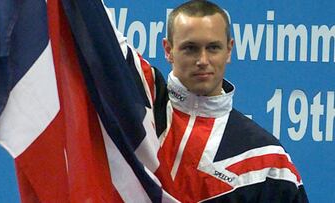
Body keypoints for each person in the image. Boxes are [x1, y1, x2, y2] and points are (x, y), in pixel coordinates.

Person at [122, 0, 309, 202]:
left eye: (213, 48)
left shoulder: (267, 162)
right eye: (190, 48)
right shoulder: (139, 106)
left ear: (229, 50)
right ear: (168, 50)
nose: (202, 60)